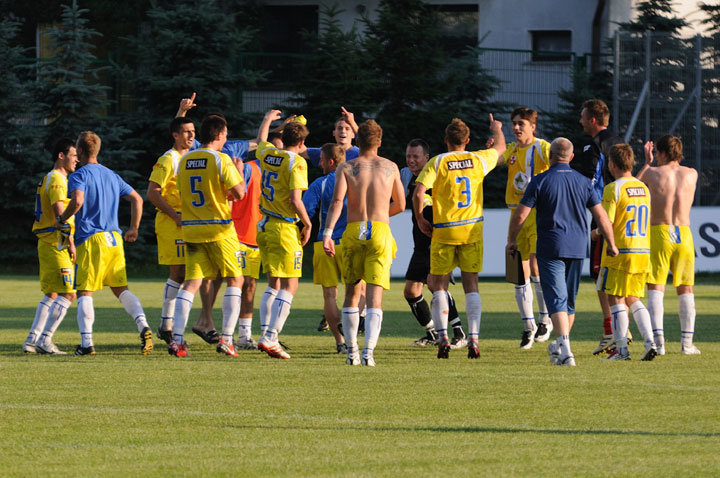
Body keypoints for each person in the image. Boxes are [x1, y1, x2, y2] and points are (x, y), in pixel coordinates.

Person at [506, 137, 618, 367]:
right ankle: (560, 346)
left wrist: (511, 240)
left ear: (550, 157)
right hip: (578, 247)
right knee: (569, 301)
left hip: (550, 246)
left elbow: (520, 214)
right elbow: (601, 216)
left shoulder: (540, 180)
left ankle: (565, 348)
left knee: (556, 299)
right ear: (572, 157)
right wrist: (612, 243)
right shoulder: (583, 181)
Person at [414, 116, 505, 360]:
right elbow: (500, 149)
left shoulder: (438, 161)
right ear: (467, 140)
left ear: (446, 140)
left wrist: (421, 217)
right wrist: (496, 129)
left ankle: (443, 336)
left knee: (438, 285)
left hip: (444, 229)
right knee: (471, 285)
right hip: (471, 230)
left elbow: (419, 191)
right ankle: (473, 339)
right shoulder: (478, 158)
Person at [55, 131, 152, 356]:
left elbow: (77, 200)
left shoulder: (79, 175)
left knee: (84, 292)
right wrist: (134, 228)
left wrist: (62, 218)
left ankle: (87, 343)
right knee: (121, 289)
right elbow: (137, 199)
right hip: (114, 240)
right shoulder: (111, 175)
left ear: (79, 151)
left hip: (92, 239)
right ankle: (143, 325)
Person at [323, 119, 405, 366]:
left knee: (351, 292)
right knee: (374, 295)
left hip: (353, 229)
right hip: (379, 231)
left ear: (357, 141)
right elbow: (401, 205)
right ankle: (369, 352)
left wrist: (327, 232)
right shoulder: (390, 167)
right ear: (379, 142)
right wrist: (380, 215)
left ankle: (352, 352)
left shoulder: (346, 167)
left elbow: (337, 203)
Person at [167, 115, 246, 357]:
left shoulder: (184, 160)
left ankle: (178, 340)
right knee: (235, 279)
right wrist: (239, 171)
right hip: (219, 228)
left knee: (191, 283)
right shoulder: (221, 159)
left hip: (191, 228)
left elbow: (184, 191)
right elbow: (240, 193)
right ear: (220, 135)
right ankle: (228, 339)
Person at [493, 107, 552, 349]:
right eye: (514, 123)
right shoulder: (512, 150)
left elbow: (562, 166)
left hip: (539, 215)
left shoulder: (544, 148)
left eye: (522, 124)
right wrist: (497, 133)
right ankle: (528, 327)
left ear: (533, 127)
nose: (516, 128)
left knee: (537, 266)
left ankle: (545, 320)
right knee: (518, 272)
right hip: (515, 216)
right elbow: (495, 158)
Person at [401, 138, 467, 348]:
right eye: (408, 156)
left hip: (436, 241)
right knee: (411, 291)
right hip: (420, 245)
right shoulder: (410, 179)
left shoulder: (435, 178)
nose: (411, 160)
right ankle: (432, 333)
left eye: (415, 157)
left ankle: (459, 332)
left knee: (434, 284)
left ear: (426, 158)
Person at [638, 135, 700, 355]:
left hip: (660, 232)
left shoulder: (652, 173)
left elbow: (633, 186)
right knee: (686, 287)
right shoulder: (692, 173)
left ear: (661, 153)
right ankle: (687, 344)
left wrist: (647, 161)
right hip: (683, 233)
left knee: (656, 286)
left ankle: (659, 342)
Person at [256, 121, 313, 360]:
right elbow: (295, 199)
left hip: (264, 224)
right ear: (300, 143)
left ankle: (266, 334)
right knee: (290, 285)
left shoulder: (270, 154)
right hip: (283, 227)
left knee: (273, 283)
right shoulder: (297, 162)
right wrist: (307, 223)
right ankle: (270, 337)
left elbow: (260, 141)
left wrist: (267, 120)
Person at [573, 99, 626, 355]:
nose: (580, 121)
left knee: (602, 278)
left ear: (593, 120)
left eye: (583, 117)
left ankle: (614, 333)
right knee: (613, 279)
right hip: (623, 219)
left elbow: (591, 182)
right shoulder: (619, 141)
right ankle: (617, 332)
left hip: (603, 218)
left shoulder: (594, 146)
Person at [594, 144, 656, 361]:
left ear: (611, 164)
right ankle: (650, 342)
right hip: (642, 250)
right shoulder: (643, 187)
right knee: (633, 298)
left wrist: (594, 233)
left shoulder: (612, 189)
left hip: (620, 251)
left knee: (615, 297)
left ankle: (622, 350)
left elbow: (606, 222)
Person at [24, 138, 79, 354]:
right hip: (56, 243)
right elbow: (60, 214)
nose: (77, 160)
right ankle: (45, 340)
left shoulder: (49, 177)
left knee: (52, 294)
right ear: (61, 155)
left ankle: (31, 340)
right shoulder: (57, 179)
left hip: (47, 242)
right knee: (69, 293)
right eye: (74, 155)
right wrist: (71, 242)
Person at [303, 143, 349, 353]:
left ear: (331, 161)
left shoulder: (319, 184)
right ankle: (354, 333)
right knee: (357, 291)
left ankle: (340, 342)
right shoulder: (355, 181)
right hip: (350, 243)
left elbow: (304, 211)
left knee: (330, 296)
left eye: (321, 159)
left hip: (324, 243)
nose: (318, 163)